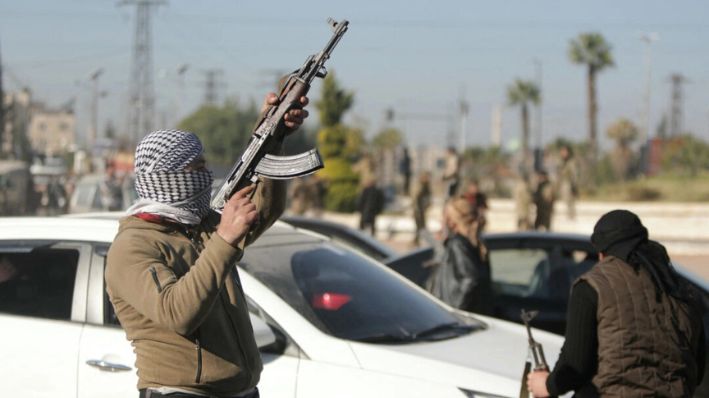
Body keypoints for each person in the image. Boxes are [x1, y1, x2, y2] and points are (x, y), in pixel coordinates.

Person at [105, 93, 309, 398]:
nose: (206, 175)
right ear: (168, 177)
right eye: (196, 168)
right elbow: (177, 313)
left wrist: (273, 134)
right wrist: (224, 239)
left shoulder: (198, 226)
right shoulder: (133, 246)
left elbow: (262, 210)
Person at [527, 210, 705, 397]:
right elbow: (698, 370)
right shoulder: (680, 289)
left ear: (602, 253)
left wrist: (545, 385)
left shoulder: (592, 285)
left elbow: (574, 366)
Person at [425, 196, 492, 315]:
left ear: (451, 221)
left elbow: (470, 278)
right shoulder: (475, 242)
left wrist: (455, 310)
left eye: (444, 217)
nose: (441, 220)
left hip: (453, 315)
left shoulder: (458, 244)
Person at [556, 144, 578, 220]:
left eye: (564, 151)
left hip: (568, 185)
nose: (563, 153)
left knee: (570, 203)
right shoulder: (560, 162)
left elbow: (574, 175)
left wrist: (574, 187)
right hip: (562, 186)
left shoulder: (571, 162)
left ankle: (571, 217)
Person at [411, 172, 432, 246]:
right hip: (418, 210)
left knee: (421, 226)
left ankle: (417, 240)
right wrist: (416, 210)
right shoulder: (420, 186)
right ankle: (417, 241)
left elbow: (428, 198)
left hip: (422, 209)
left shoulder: (426, 186)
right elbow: (415, 198)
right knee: (419, 226)